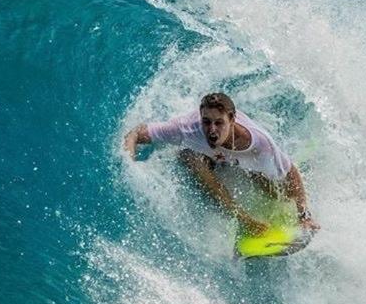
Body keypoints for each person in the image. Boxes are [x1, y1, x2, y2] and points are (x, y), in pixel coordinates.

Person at [123, 92, 319, 235]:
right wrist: (128, 163)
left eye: (219, 123)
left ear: (232, 120)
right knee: (193, 160)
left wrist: (304, 216)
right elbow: (136, 133)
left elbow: (290, 172)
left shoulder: (259, 144)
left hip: (239, 156)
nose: (212, 130)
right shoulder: (186, 129)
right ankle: (244, 221)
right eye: (206, 122)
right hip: (203, 157)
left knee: (276, 192)